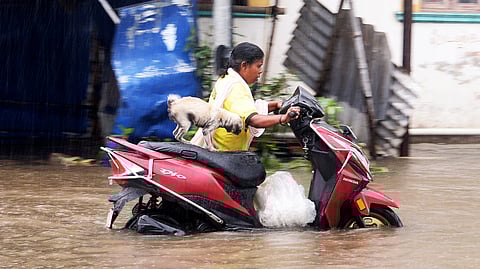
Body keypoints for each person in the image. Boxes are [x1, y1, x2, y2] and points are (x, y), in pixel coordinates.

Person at [192, 42, 300, 151]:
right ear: (244, 65)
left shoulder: (226, 79)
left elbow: (242, 108)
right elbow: (253, 120)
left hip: (221, 150)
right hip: (225, 154)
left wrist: (275, 105)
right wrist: (283, 118)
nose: (260, 71)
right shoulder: (235, 88)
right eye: (258, 66)